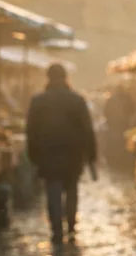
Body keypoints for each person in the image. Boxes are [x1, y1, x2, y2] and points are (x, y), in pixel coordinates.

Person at [26, 63, 97, 243]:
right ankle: (71, 226)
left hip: (48, 154)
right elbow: (88, 130)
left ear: (48, 78)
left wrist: (33, 156)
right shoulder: (77, 100)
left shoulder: (38, 101)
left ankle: (57, 229)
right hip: (73, 154)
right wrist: (91, 156)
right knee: (71, 190)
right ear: (66, 77)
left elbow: (31, 131)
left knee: (53, 192)